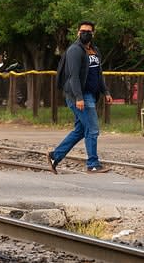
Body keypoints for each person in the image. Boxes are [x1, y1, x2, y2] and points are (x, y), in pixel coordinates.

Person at [48, 21, 113, 174]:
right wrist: (78, 97)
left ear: (93, 34)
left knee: (80, 130)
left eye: (89, 31)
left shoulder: (94, 50)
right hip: (79, 96)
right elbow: (74, 76)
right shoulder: (75, 50)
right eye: (83, 31)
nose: (85, 33)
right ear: (78, 33)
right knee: (92, 129)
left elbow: (99, 73)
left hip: (90, 94)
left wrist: (106, 92)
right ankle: (93, 164)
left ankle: (54, 156)